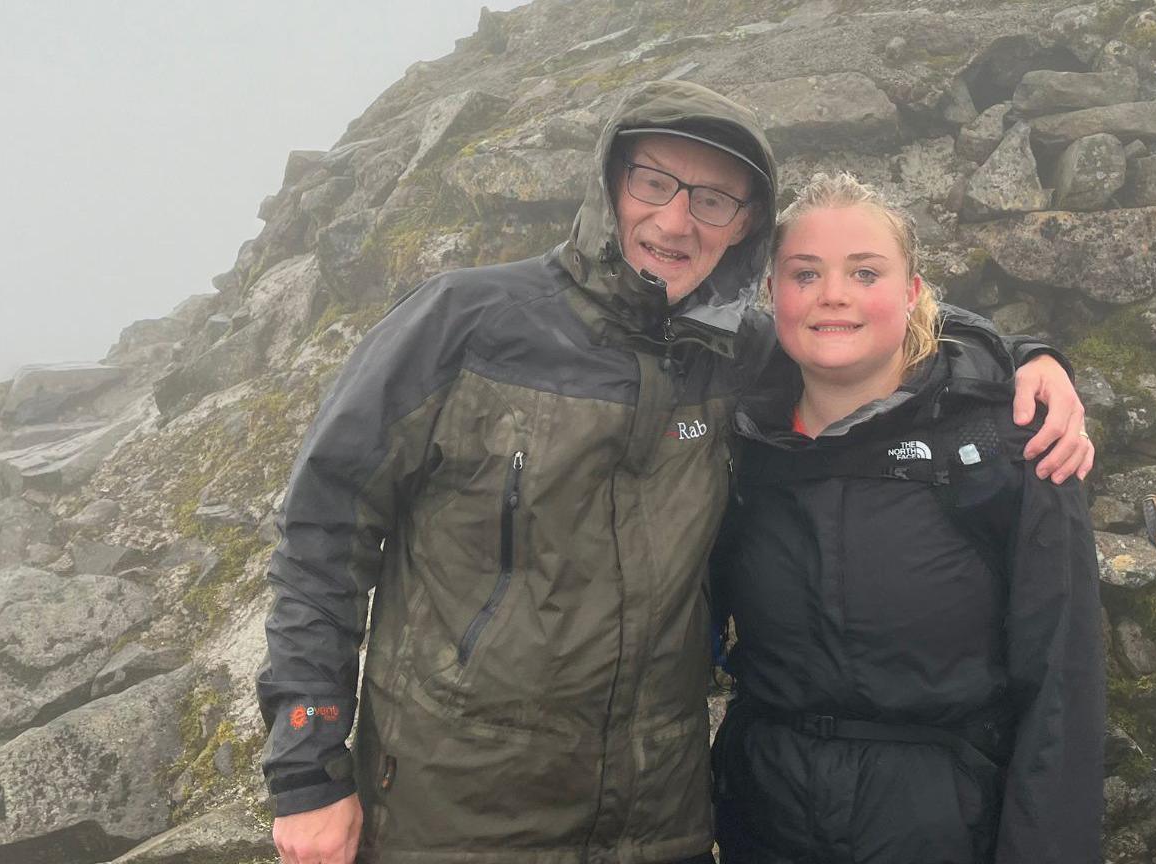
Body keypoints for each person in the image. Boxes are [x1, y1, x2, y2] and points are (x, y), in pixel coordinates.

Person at [256, 80, 1092, 864]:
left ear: (743, 227)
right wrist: (308, 769)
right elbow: (323, 534)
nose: (677, 220)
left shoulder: (738, 357)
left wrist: (1026, 356)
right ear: (611, 183)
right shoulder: (463, 322)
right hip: (456, 817)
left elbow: (862, 331)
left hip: (659, 824)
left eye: (714, 199)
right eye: (655, 182)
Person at [710, 173, 1105, 864]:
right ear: (772, 294)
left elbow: (1063, 693)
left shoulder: (1009, 446)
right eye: (806, 273)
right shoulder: (738, 443)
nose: (833, 294)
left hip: (945, 826)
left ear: (915, 291)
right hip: (761, 819)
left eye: (865, 272)